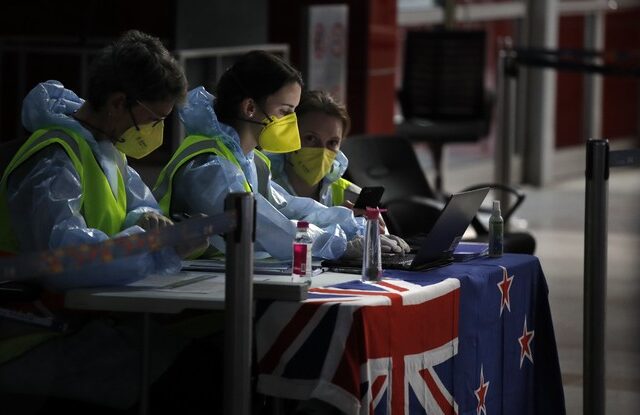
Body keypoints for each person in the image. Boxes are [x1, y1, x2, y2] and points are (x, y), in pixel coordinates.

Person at [0, 30, 200, 412]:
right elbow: (63, 259)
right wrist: (151, 247)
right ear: (118, 102)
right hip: (31, 333)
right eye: (153, 120)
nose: (156, 132)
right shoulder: (53, 159)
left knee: (189, 357)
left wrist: (155, 226)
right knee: (185, 376)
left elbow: (138, 209)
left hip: (82, 318)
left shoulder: (106, 150)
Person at [153, 51, 407, 260]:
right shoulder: (210, 167)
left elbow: (290, 208)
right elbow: (271, 230)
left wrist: (353, 223)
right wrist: (341, 245)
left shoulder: (251, 161)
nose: (291, 123)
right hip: (198, 295)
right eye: (286, 112)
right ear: (250, 107)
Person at [268, 89, 360, 208]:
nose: (322, 151)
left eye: (332, 142)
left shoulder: (352, 197)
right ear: (288, 137)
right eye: (311, 138)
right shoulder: (262, 188)